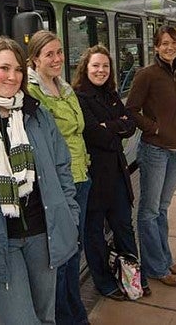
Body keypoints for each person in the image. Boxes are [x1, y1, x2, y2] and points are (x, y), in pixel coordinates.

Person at [0, 37, 79, 325]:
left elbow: (62, 166)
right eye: (4, 68)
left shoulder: (37, 115)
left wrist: (70, 214)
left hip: (42, 234)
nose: (12, 76)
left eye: (18, 70)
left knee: (45, 318)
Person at [72, 45, 151, 301]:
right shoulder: (78, 97)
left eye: (105, 66)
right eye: (95, 65)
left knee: (123, 227)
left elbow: (130, 125)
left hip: (117, 174)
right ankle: (104, 281)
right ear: (86, 68)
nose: (101, 70)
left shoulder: (112, 94)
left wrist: (111, 127)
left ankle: (133, 276)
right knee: (93, 233)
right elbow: (93, 133)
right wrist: (113, 128)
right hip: (93, 178)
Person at [26, 30, 90, 324]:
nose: (57, 59)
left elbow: (77, 131)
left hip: (80, 176)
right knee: (62, 255)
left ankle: (73, 310)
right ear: (35, 58)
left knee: (75, 248)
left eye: (59, 52)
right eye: (49, 54)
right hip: (57, 182)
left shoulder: (64, 87)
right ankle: (68, 317)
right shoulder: (32, 91)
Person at [126, 25, 176, 288]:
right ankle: (155, 267)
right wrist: (154, 128)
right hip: (155, 150)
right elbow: (131, 109)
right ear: (155, 47)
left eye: (173, 43)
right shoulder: (147, 75)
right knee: (149, 211)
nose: (169, 47)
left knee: (162, 208)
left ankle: (165, 259)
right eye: (164, 43)